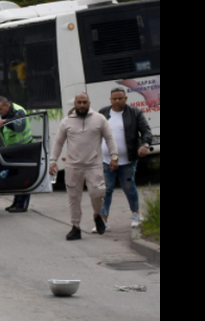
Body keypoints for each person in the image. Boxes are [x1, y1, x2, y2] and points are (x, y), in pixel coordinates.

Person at [51, 93, 119, 241]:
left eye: (84, 102)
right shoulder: (67, 122)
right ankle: (75, 227)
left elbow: (109, 138)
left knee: (98, 193)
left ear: (89, 103)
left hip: (93, 165)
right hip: (73, 166)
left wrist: (114, 157)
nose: (82, 105)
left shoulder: (99, 119)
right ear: (74, 104)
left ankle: (97, 215)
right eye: (79, 102)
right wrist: (53, 161)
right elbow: (58, 143)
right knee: (74, 198)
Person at [95, 88, 153, 232]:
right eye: (114, 98)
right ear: (110, 100)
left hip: (127, 160)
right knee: (106, 190)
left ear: (126, 98)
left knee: (129, 188)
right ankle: (103, 220)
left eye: (120, 98)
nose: (117, 101)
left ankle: (135, 214)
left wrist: (145, 145)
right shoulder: (103, 113)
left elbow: (146, 131)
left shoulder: (134, 113)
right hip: (106, 160)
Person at [0, 97, 34, 213]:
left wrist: (6, 123)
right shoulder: (4, 113)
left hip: (24, 148)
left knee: (23, 177)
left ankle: (22, 205)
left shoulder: (19, 111)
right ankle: (16, 202)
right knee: (14, 177)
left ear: (7, 105)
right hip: (13, 150)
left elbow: (19, 127)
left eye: (0, 109)